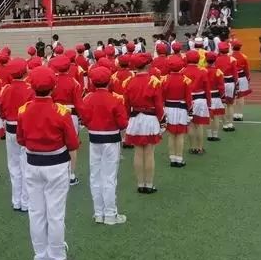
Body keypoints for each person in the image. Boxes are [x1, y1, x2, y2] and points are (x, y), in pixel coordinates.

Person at [17, 66, 79, 260]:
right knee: (55, 214)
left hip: (33, 164)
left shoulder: (23, 110)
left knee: (36, 212)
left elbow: (20, 139)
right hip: (56, 165)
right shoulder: (62, 111)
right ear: (53, 87)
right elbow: (72, 142)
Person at [80, 66, 128, 225]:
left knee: (95, 175)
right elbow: (122, 123)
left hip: (94, 139)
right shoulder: (116, 99)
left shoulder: (87, 99)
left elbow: (84, 120)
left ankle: (98, 213)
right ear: (109, 81)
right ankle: (110, 214)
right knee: (109, 177)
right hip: (111, 140)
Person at [122, 53, 164, 194]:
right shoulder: (154, 81)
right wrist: (160, 118)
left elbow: (126, 105)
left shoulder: (129, 81)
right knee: (149, 153)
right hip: (150, 118)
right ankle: (149, 184)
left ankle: (140, 184)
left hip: (135, 118)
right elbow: (159, 105)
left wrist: (128, 118)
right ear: (147, 65)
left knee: (138, 152)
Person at [0, 58, 34, 212]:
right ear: (25, 71)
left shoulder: (5, 89)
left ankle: (16, 200)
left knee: (13, 165)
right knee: (26, 165)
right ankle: (26, 201)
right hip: (26, 129)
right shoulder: (30, 89)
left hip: (11, 129)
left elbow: (1, 111)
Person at [49, 55, 83, 186]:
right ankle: (71, 175)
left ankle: (55, 173)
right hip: (70, 114)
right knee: (72, 145)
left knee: (55, 142)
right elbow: (79, 103)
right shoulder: (74, 82)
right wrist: (82, 117)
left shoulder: (52, 80)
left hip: (54, 112)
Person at [162, 56, 192, 167]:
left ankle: (172, 158)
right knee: (180, 135)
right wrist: (190, 112)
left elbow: (162, 97)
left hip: (168, 109)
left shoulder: (164, 79)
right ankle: (179, 159)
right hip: (181, 110)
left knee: (170, 135)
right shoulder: (186, 80)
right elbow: (189, 99)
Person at [183, 51, 211, 155]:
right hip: (200, 99)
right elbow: (207, 88)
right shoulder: (203, 71)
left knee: (190, 124)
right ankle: (200, 147)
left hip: (188, 100)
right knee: (199, 125)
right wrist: (209, 102)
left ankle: (192, 147)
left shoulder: (183, 71)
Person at [205, 52, 225, 142]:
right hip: (216, 96)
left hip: (206, 96)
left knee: (209, 117)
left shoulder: (203, 71)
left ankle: (209, 134)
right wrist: (222, 97)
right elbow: (221, 86)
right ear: (215, 60)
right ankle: (215, 135)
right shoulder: (218, 72)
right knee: (216, 116)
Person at [231, 41, 251, 122]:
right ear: (240, 47)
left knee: (232, 97)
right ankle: (239, 114)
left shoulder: (230, 56)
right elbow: (247, 69)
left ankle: (232, 114)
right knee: (241, 96)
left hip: (232, 78)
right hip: (242, 77)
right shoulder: (244, 57)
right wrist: (248, 78)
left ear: (232, 47)